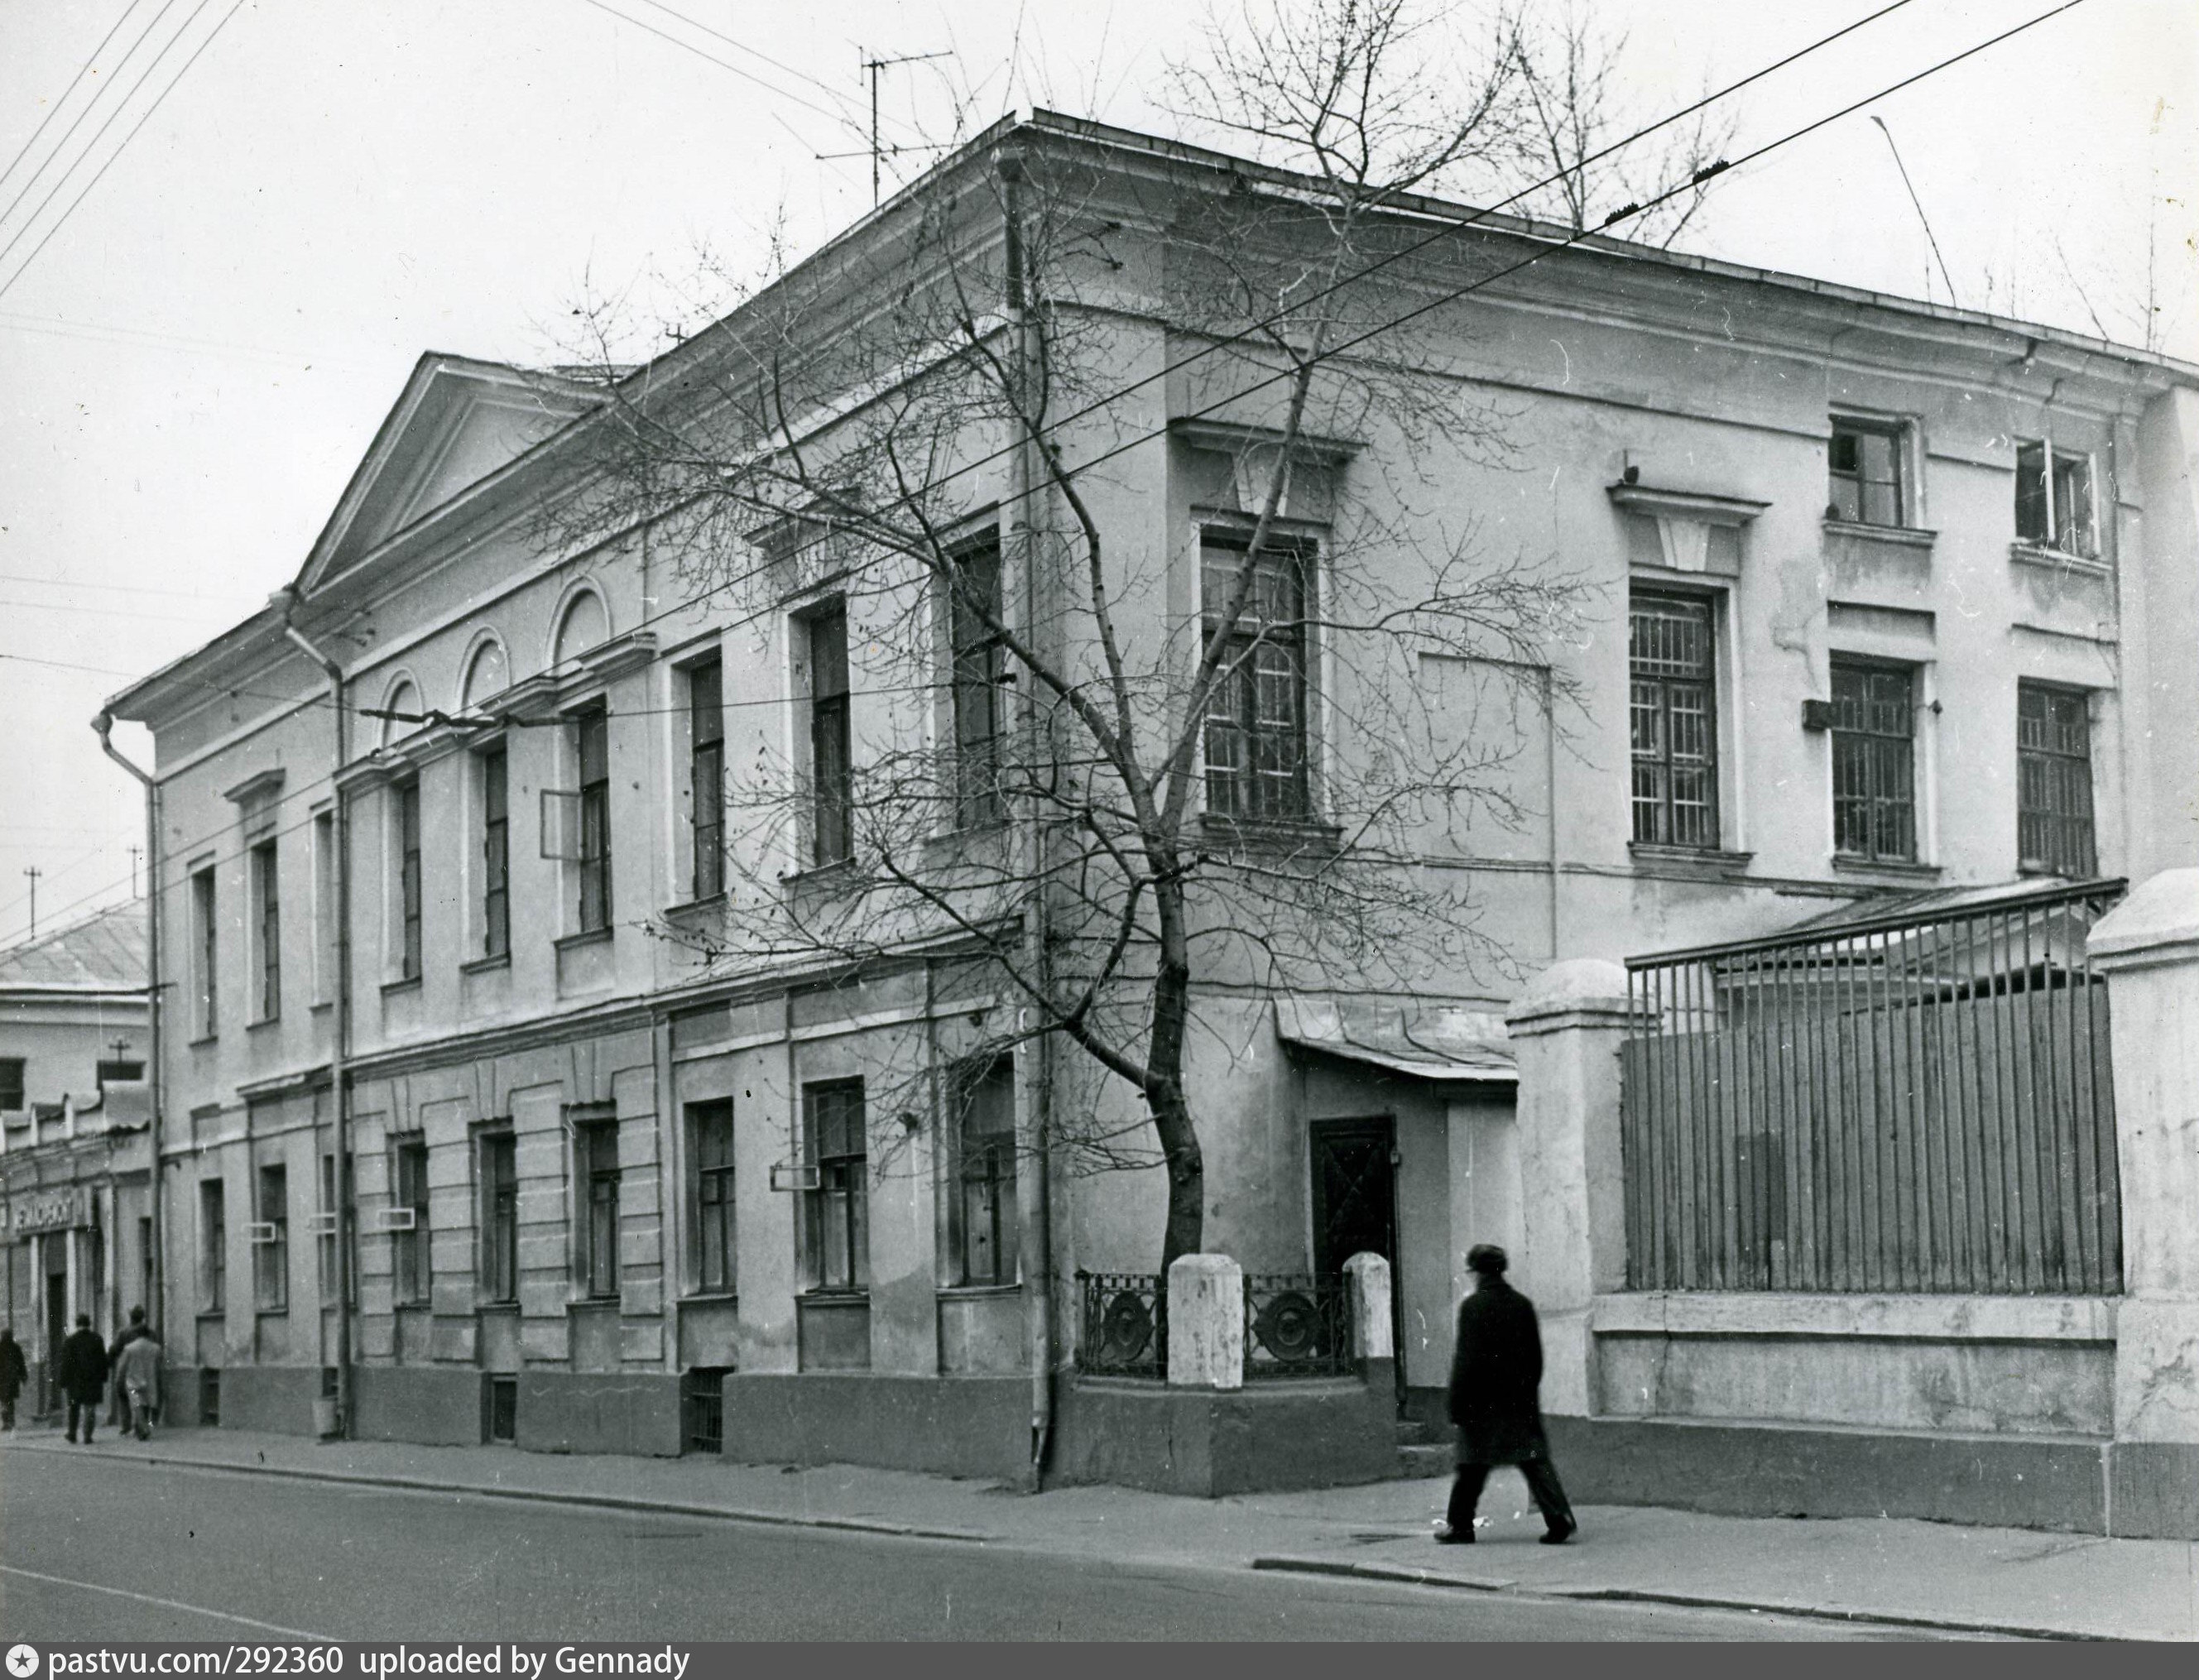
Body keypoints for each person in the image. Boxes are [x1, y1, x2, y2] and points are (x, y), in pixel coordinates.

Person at [1438, 1244, 1576, 1546]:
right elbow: (1535, 1358)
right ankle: (1560, 1518)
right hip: (1519, 1400)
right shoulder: (1522, 1304)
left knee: (1471, 1467)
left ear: (1477, 1272)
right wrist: (1526, 1390)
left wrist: (1456, 1405)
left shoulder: (1473, 1307)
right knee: (1534, 1461)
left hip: (1482, 1402)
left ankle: (1460, 1526)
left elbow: (1466, 1361)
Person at [56, 1313, 111, 1445]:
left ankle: (72, 1434)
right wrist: (104, 1377)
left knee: (74, 1408)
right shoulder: (97, 1339)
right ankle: (87, 1435)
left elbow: (66, 1363)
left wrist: (63, 1381)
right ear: (89, 1324)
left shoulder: (70, 1341)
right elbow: (102, 1361)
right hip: (93, 1381)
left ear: (77, 1324)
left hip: (75, 1382)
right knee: (90, 1408)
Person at [116, 1323, 162, 1442]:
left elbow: (122, 1367)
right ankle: (141, 1430)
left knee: (137, 1405)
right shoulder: (156, 1348)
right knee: (146, 1405)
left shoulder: (129, 1348)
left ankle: (143, 1429)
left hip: (133, 1380)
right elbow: (158, 1366)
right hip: (150, 1379)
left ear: (136, 1334)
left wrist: (119, 1380)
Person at [107, 1307, 150, 1433]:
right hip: (144, 1367)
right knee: (141, 1397)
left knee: (123, 1396)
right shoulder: (148, 1332)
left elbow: (114, 1349)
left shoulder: (124, 1332)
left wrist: (109, 1361)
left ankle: (126, 1426)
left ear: (131, 1317)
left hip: (126, 1367)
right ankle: (139, 1424)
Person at [0, 1327, 26, 1431]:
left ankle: (7, 1422)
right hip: (12, 1379)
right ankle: (11, 1421)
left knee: (4, 1400)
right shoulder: (16, 1347)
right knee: (10, 1400)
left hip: (2, 1379)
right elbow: (21, 1363)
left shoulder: (0, 1347)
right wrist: (23, 1376)